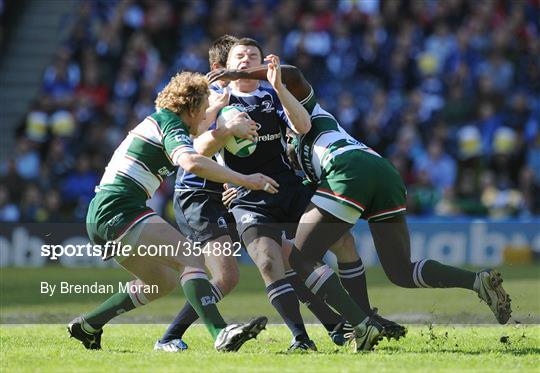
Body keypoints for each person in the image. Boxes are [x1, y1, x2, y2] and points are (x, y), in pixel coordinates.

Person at [210, 58, 513, 350]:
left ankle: (362, 323)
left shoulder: (308, 110)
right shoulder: (306, 155)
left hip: (350, 169)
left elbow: (293, 74)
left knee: (302, 259)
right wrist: (239, 185)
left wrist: (239, 75)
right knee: (400, 271)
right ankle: (477, 281)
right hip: (383, 172)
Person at [158, 36, 357, 353]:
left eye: (253, 55)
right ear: (221, 68)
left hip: (248, 187)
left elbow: (302, 125)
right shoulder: (213, 104)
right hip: (203, 195)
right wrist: (225, 132)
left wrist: (279, 88)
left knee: (286, 260)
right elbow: (197, 153)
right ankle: (170, 336)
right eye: (239, 56)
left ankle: (334, 327)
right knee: (228, 276)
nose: (246, 61)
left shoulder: (271, 97)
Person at [67, 71, 279, 352]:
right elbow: (191, 162)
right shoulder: (170, 124)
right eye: (203, 109)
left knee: (160, 283)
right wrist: (247, 179)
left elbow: (200, 126)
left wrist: (219, 105)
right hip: (119, 208)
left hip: (103, 215)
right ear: (191, 108)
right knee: (190, 257)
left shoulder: (165, 121)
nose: (206, 114)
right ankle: (220, 332)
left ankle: (88, 325)